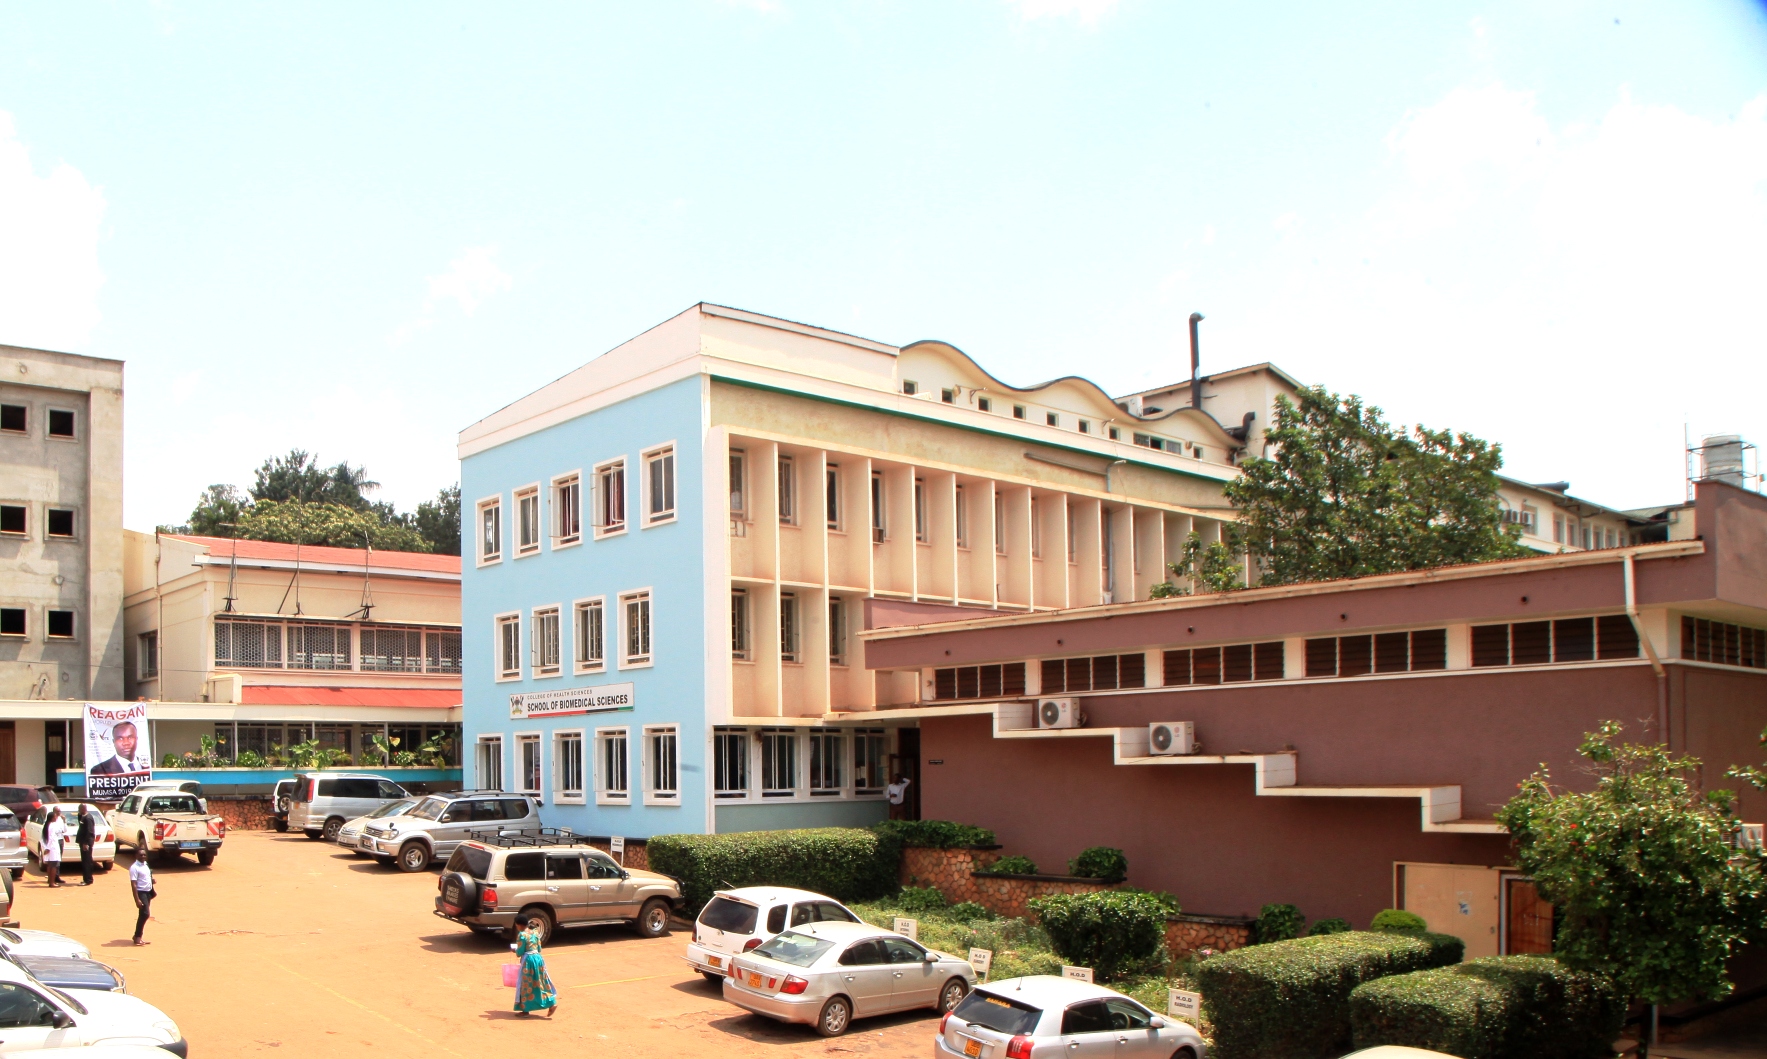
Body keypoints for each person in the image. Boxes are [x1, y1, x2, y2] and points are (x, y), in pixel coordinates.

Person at [512, 917, 556, 1017]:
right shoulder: (535, 933)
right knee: (542, 983)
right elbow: (539, 948)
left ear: (519, 925)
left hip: (528, 961)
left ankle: (525, 1010)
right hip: (538, 959)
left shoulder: (522, 935)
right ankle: (551, 1003)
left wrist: (515, 950)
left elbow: (520, 952)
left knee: (526, 985)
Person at [128, 847, 154, 946]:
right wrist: (137, 900)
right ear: (136, 856)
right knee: (145, 914)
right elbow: (133, 884)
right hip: (141, 893)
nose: (143, 856)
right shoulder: (134, 868)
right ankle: (137, 937)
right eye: (141, 855)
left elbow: (147, 876)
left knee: (143, 914)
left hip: (148, 892)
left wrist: (152, 881)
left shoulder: (145, 864)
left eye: (144, 855)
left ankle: (137, 937)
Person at [40, 808, 65, 887]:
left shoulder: (47, 825)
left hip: (50, 847)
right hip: (52, 848)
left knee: (50, 865)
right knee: (53, 865)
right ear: (52, 818)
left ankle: (50, 881)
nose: (56, 817)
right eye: (55, 817)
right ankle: (52, 883)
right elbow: (51, 838)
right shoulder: (52, 826)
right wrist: (48, 848)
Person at [76, 808, 96, 886]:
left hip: (86, 843)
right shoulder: (83, 816)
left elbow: (89, 832)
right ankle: (87, 878)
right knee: (85, 861)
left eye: (79, 809)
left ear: (83, 809)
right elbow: (80, 822)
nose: (78, 810)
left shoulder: (88, 818)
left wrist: (85, 843)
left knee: (87, 861)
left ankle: (88, 879)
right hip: (83, 842)